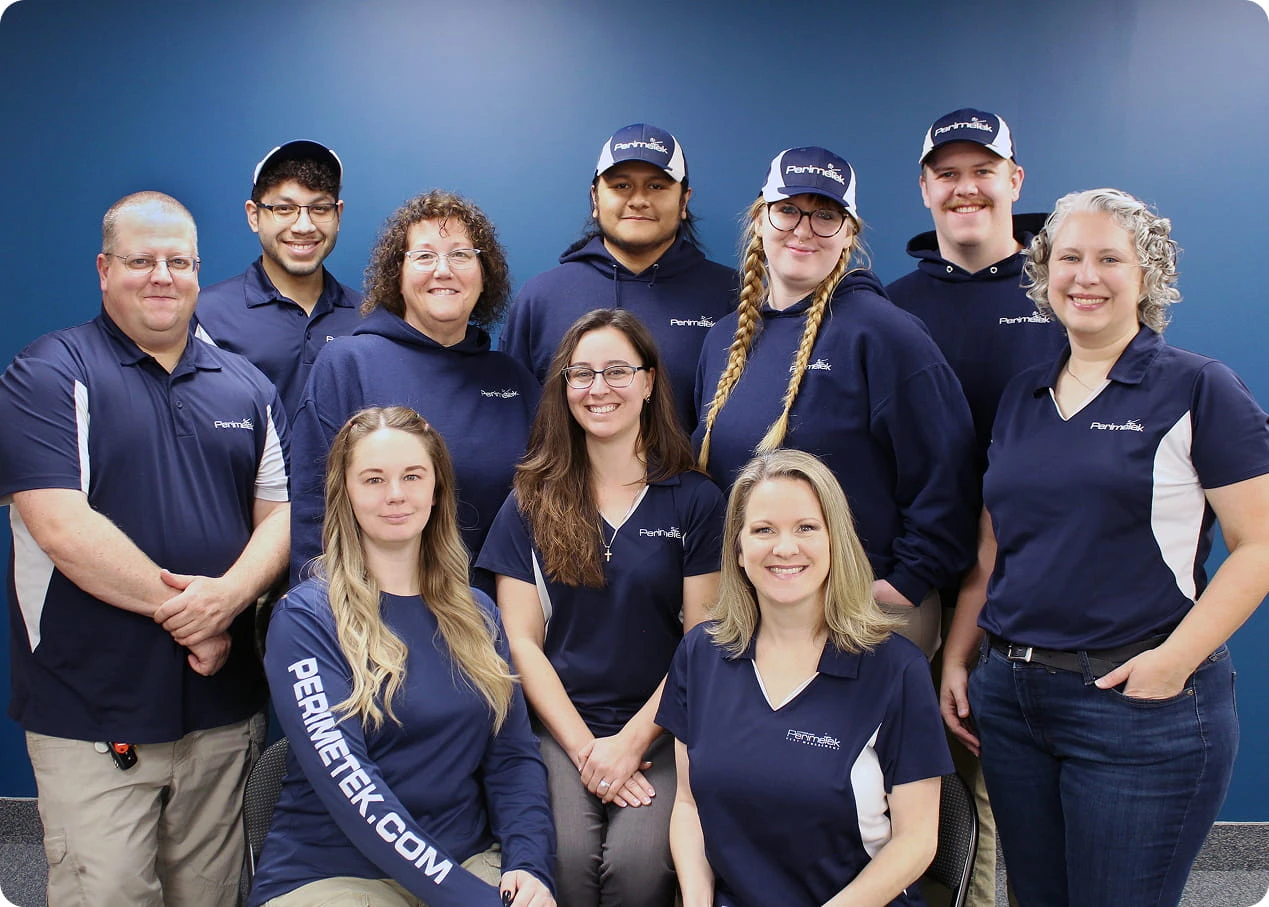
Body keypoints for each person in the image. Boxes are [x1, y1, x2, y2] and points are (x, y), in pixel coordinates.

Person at [940, 188, 1269, 907]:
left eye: (1109, 259)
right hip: (1014, 697)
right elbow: (995, 549)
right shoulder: (1024, 393)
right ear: (1043, 273)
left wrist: (1171, 662)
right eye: (1068, 258)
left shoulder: (1197, 388)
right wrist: (960, 658)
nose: (1084, 276)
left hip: (1135, 705)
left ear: (1146, 276)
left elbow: (1259, 545)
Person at [0, 191, 291, 906]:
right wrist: (197, 614)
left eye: (178, 261)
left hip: (221, 714)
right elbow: (62, 526)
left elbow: (281, 516)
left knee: (212, 894)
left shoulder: (247, 387)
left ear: (198, 270)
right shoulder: (47, 375)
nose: (161, 275)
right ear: (104, 269)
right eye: (140, 260)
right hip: (93, 712)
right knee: (109, 894)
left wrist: (227, 600)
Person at [250, 406, 555, 907]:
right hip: (335, 874)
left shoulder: (478, 614)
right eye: (373, 479)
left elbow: (513, 759)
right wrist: (467, 899)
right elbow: (352, 786)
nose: (395, 494)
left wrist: (529, 864)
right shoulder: (305, 619)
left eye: (412, 476)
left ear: (436, 490)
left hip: (466, 859)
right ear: (345, 493)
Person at [478, 309, 725, 906]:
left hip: (664, 729)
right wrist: (590, 749)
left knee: (639, 868)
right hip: (562, 729)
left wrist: (633, 743)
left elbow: (703, 643)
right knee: (561, 860)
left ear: (648, 381)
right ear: (563, 388)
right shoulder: (530, 501)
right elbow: (521, 641)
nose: (599, 388)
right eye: (581, 373)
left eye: (617, 371)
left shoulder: (695, 501)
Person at [694, 147, 978, 658]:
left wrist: (901, 588)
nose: (804, 229)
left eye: (826, 215)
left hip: (861, 618)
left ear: (849, 233)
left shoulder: (885, 335)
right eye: (788, 210)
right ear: (761, 218)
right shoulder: (724, 340)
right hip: (753, 615)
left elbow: (949, 479)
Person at [886, 107, 1065, 906]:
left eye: (982, 171)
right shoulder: (886, 306)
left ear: (1013, 181)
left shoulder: (1063, 294)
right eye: (947, 173)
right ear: (924, 188)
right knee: (893, 775)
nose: (965, 188)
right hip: (908, 583)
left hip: (1026, 589)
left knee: (995, 788)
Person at [657, 449, 952, 906]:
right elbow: (689, 806)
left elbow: (917, 843)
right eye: (763, 530)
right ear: (737, 549)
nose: (785, 548)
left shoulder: (896, 670)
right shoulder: (701, 655)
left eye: (806, 528)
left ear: (837, 541)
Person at [289, 190, 540, 589]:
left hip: (495, 623)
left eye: (461, 255)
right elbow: (313, 514)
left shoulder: (515, 382)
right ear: (397, 276)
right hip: (372, 621)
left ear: (483, 274)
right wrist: (319, 618)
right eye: (424, 256)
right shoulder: (348, 366)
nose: (444, 270)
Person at [501, 123, 737, 431]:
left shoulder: (731, 295)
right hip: (563, 481)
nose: (638, 199)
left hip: (691, 479)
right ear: (596, 198)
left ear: (684, 201)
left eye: (656, 186)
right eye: (621, 186)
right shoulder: (542, 298)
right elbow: (512, 422)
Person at [195, 140, 363, 419]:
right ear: (254, 215)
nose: (304, 226)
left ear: (338, 214)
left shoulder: (368, 318)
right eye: (284, 209)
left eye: (320, 208)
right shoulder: (205, 315)